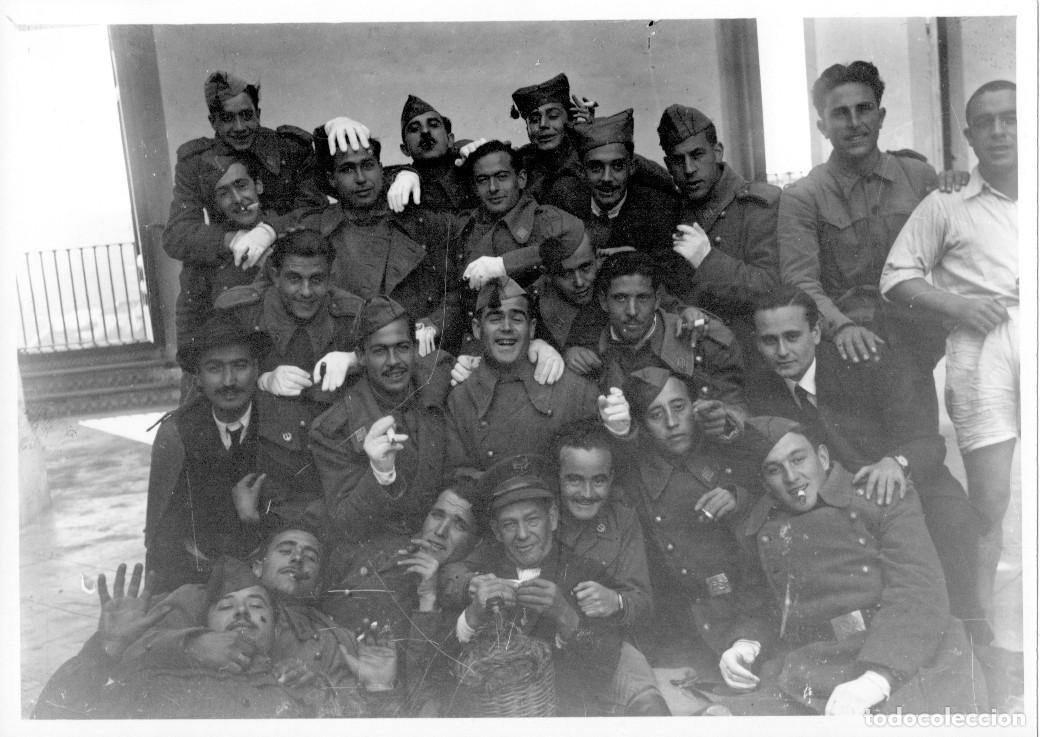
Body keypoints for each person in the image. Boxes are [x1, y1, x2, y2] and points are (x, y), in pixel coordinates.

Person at [746, 286, 990, 640]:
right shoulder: (760, 388)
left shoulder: (865, 361)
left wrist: (896, 461)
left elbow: (928, 442)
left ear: (815, 332)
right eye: (770, 341)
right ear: (756, 342)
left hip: (907, 479)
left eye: (792, 336)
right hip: (837, 497)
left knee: (954, 520)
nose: (782, 351)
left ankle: (971, 634)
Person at [719, 418, 985, 716]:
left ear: (821, 457)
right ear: (765, 481)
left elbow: (919, 590)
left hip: (903, 651)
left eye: (798, 459)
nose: (791, 477)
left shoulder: (879, 495)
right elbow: (760, 606)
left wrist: (878, 677)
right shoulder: (762, 523)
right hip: (812, 663)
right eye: (774, 469)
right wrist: (744, 643)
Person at [880, 80, 1019, 634]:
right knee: (992, 498)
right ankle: (984, 628)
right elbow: (896, 276)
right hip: (982, 346)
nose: (1000, 130)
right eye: (986, 122)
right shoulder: (947, 201)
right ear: (968, 135)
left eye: (1012, 117)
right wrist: (958, 306)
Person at [777, 61, 945, 370]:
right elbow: (801, 282)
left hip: (917, 343)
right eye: (840, 113)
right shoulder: (803, 196)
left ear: (880, 117)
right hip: (842, 348)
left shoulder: (918, 176)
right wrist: (840, 327)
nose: (854, 123)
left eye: (864, 109)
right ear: (822, 127)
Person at [610, 368, 772, 661]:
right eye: (655, 415)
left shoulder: (726, 450)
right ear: (642, 425)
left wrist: (740, 498)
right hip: (679, 635)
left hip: (749, 618)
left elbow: (775, 466)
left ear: (695, 407)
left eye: (679, 407)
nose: (672, 423)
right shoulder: (634, 480)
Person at [453, 454, 624, 715]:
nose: (522, 535)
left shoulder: (587, 574)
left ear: (553, 517)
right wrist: (472, 616)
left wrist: (566, 616)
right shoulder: (482, 573)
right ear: (496, 531)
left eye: (532, 520)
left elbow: (604, 669)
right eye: (509, 524)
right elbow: (443, 668)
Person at [216, 229, 365, 523]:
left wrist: (357, 359)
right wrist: (260, 380)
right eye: (294, 278)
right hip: (259, 474)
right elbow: (210, 385)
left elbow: (397, 358)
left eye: (317, 280)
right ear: (274, 274)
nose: (306, 292)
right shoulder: (241, 312)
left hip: (330, 476)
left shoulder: (352, 314)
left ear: (330, 277)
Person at [162, 71, 325, 336]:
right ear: (212, 121)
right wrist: (231, 239)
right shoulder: (194, 163)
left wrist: (269, 230)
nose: (239, 127)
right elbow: (176, 235)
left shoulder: (289, 150)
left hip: (293, 275)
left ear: (258, 113)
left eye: (246, 115)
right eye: (227, 118)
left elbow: (315, 210)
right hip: (232, 276)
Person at [321, 482, 485, 715]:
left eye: (459, 525)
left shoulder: (460, 608)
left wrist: (428, 598)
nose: (441, 531)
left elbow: (422, 688)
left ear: (476, 543)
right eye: (437, 515)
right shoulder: (377, 544)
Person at [144, 313, 273, 592]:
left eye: (239, 365)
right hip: (199, 579)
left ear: (256, 368)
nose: (229, 381)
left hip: (268, 573)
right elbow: (162, 537)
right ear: (198, 378)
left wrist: (253, 520)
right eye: (214, 368)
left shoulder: (279, 424)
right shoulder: (177, 435)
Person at [310, 297, 454, 542]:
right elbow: (347, 526)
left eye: (402, 347)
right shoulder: (333, 429)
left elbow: (442, 361)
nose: (394, 361)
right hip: (377, 556)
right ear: (361, 357)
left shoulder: (433, 375)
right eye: (379, 351)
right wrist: (380, 474)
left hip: (440, 540)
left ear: (414, 348)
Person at [550, 420, 670, 715]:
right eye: (574, 479)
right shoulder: (540, 516)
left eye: (599, 480)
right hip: (547, 644)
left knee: (649, 707)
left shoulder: (622, 520)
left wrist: (615, 601)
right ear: (557, 478)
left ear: (612, 478)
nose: (587, 492)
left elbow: (643, 602)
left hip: (606, 643)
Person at [306, 135, 465, 355]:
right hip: (344, 362)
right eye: (347, 170)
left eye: (368, 165)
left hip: (418, 357)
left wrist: (435, 323)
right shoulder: (316, 232)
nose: (361, 178)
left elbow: (457, 288)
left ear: (382, 169)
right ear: (331, 179)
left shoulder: (421, 223)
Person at [658, 104, 781, 355]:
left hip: (749, 351)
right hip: (691, 351)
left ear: (717, 152)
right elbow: (662, 287)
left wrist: (707, 260)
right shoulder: (670, 210)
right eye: (678, 160)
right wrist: (681, 311)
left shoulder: (759, 205)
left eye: (697, 155)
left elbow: (772, 288)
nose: (689, 169)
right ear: (668, 165)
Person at [444, 278, 599, 476]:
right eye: (495, 318)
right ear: (476, 328)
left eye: (517, 319)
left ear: (532, 328)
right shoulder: (460, 399)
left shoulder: (575, 390)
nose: (507, 327)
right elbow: (459, 475)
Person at [593, 251, 747, 437]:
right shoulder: (590, 353)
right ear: (603, 301)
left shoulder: (703, 340)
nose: (632, 311)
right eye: (620, 298)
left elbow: (739, 408)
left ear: (658, 299)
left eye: (642, 298)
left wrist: (727, 422)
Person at [508, 72, 673, 210]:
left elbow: (663, 180)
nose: (543, 125)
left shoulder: (590, 153)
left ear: (571, 119)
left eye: (553, 116)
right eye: (534, 119)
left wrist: (596, 137)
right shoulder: (522, 161)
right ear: (527, 127)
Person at [458, 140, 587, 293]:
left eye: (502, 176)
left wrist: (502, 265)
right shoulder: (468, 223)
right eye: (483, 180)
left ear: (521, 179)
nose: (493, 188)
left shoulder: (542, 219)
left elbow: (574, 231)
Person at [174, 155, 268, 348]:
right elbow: (189, 330)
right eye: (224, 194)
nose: (237, 199)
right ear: (215, 203)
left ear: (258, 185)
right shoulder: (204, 256)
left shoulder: (285, 232)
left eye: (242, 185)